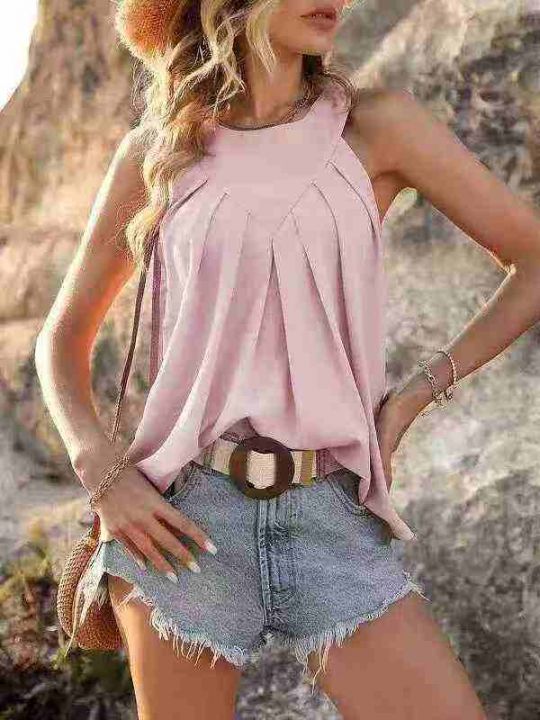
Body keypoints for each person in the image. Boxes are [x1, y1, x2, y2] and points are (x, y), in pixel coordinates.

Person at [34, 0, 540, 717]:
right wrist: (103, 474)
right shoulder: (157, 151)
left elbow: (532, 260)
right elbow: (61, 339)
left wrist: (412, 398)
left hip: (329, 509)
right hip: (183, 520)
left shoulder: (376, 127)